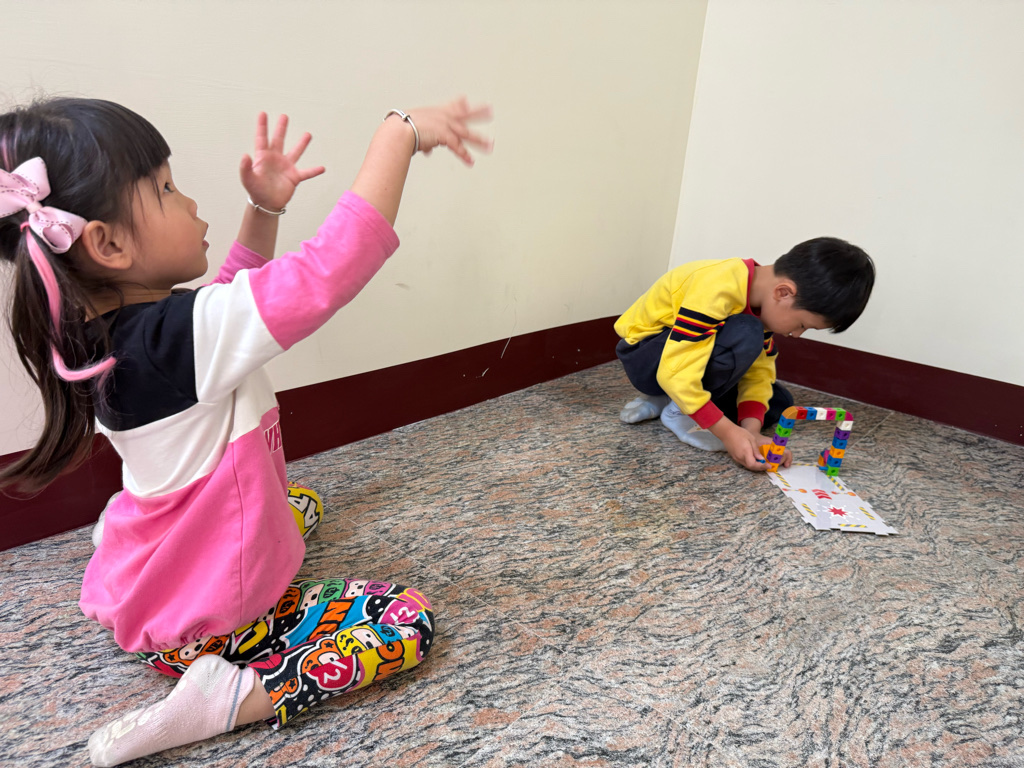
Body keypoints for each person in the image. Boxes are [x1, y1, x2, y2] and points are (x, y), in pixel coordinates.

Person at [0, 96, 491, 766]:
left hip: (160, 588)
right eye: (165, 190)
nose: (188, 200)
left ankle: (180, 596)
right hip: (215, 624)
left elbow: (229, 299)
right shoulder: (176, 340)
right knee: (407, 621)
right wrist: (398, 134)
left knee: (299, 504)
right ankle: (234, 696)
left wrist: (264, 209)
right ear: (108, 245)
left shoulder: (115, 334)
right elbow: (328, 270)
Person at [614, 239, 874, 471]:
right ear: (783, 293)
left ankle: (668, 401)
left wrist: (751, 432)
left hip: (683, 362)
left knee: (777, 402)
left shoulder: (763, 304)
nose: (796, 335)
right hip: (646, 357)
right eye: (802, 325)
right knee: (747, 331)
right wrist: (727, 433)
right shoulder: (716, 287)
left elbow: (759, 373)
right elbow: (675, 370)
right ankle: (676, 410)